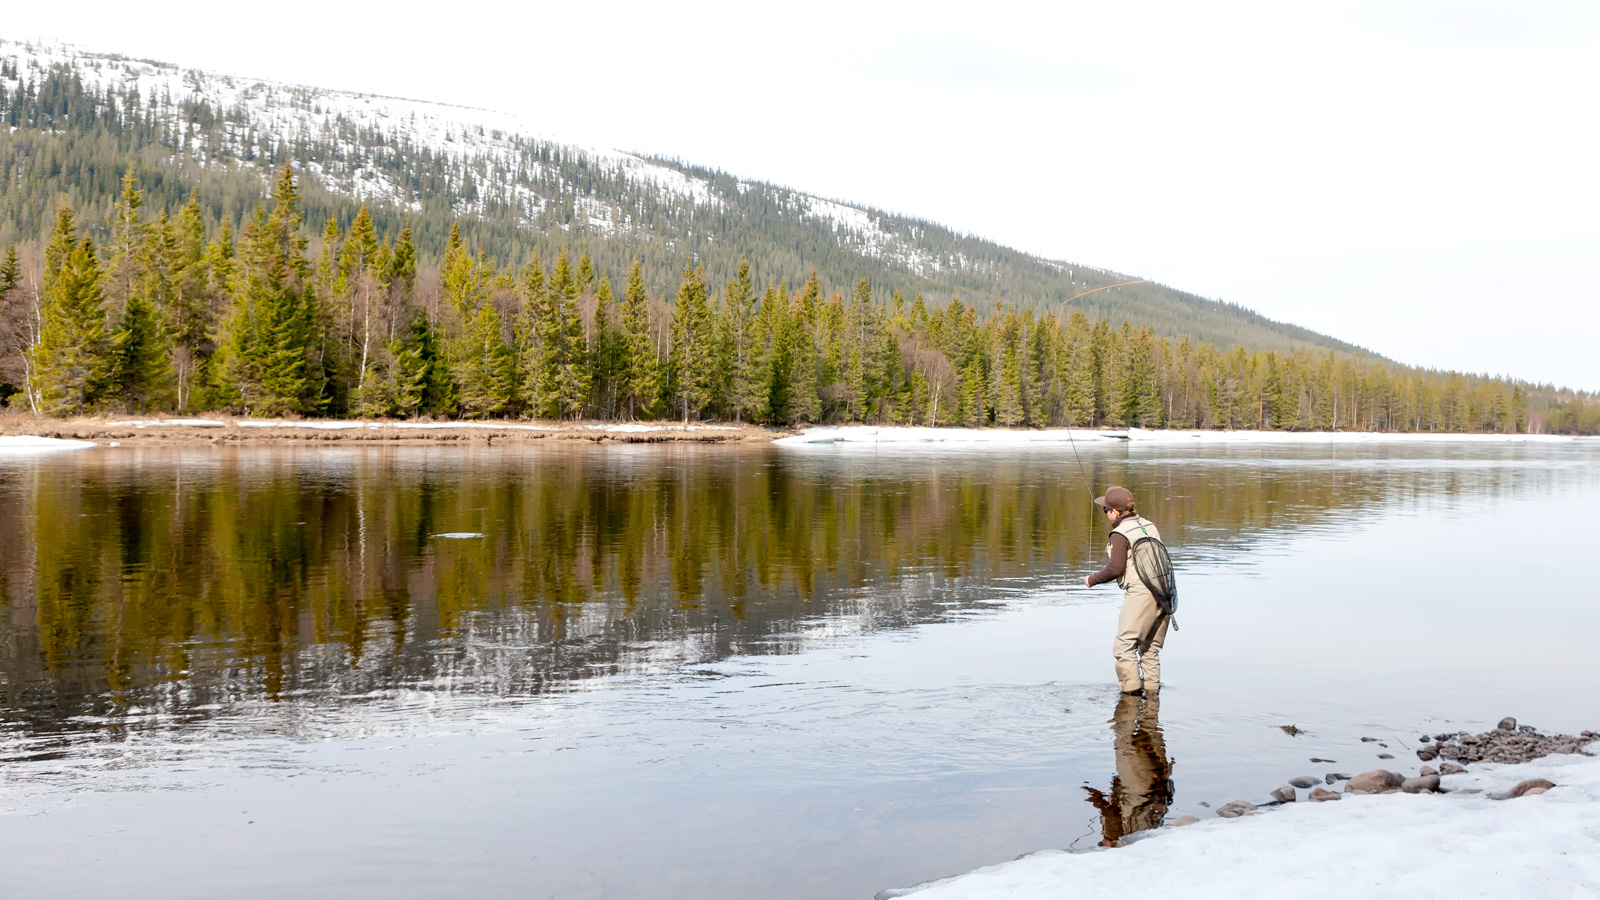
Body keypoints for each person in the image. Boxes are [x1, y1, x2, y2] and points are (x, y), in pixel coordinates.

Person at [1081, 486, 1169, 695]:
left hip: (1142, 594)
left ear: (1115, 513)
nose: (1106, 513)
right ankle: (1151, 707)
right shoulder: (1149, 525)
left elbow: (1115, 569)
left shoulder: (1120, 534)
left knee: (1124, 647)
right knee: (1150, 650)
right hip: (1165, 592)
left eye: (1106, 510)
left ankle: (1129, 702)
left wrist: (1091, 580)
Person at [1082, 690, 1173, 846]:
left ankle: (1146, 695)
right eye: (1103, 843)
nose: (1103, 840)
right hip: (1137, 782)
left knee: (1149, 728)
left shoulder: (1150, 831)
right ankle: (1131, 697)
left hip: (1159, 779)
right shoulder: (1116, 835)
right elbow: (1110, 813)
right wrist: (1095, 797)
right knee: (1124, 740)